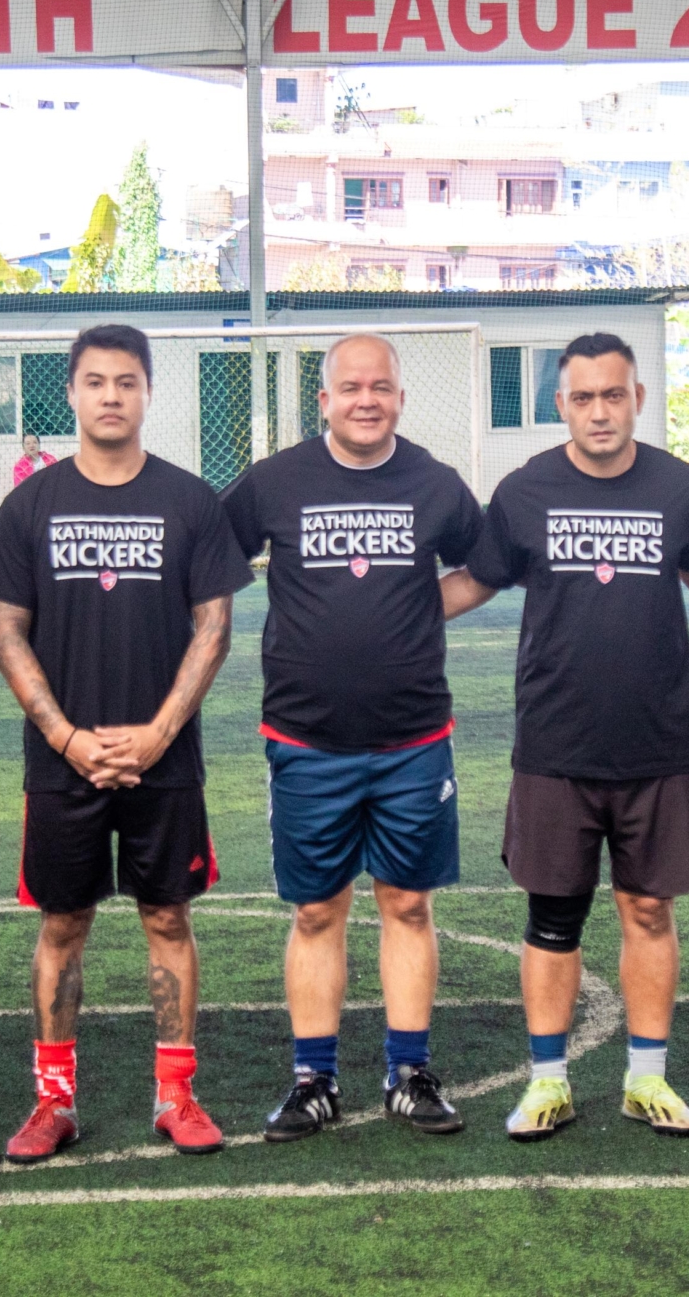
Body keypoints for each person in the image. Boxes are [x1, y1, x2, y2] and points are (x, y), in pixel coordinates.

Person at [0, 325, 254, 1162]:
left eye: (126, 382)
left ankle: (177, 1095)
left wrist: (159, 733)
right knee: (63, 922)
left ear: (147, 393)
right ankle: (52, 1102)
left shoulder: (190, 501)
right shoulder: (30, 505)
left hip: (162, 760)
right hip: (61, 762)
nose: (110, 395)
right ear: (71, 392)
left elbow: (214, 629)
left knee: (167, 915)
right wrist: (65, 737)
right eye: (95, 381)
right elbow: (6, 635)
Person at [455, 333, 689, 1141]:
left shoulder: (682, 488)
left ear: (637, 398)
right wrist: (382, 617)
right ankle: (548, 1082)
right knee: (553, 916)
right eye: (583, 398)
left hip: (657, 740)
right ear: (561, 405)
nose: (600, 411)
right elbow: (476, 581)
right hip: (556, 744)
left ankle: (648, 1078)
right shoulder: (524, 490)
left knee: (649, 908)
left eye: (614, 395)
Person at [221, 332, 488, 1141]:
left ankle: (409, 1071)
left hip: (413, 737)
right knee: (316, 910)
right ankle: (314, 1079)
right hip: (307, 738)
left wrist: (416, 612)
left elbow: (483, 566)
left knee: (407, 903)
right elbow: (214, 560)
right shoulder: (274, 481)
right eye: (350, 387)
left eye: (380, 387)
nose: (365, 400)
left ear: (400, 398)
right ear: (325, 400)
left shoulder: (435, 483)